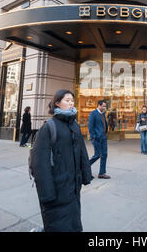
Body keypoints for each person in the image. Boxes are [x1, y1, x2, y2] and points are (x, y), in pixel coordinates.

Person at [29, 89, 92, 232]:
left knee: (74, 222)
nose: (71, 103)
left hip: (73, 185)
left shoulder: (74, 125)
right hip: (56, 188)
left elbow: (82, 152)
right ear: (57, 103)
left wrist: (85, 175)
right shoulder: (49, 127)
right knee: (58, 224)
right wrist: (47, 193)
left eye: (72, 100)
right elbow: (40, 163)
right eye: (67, 100)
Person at [88, 100, 110, 179]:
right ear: (99, 105)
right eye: (103, 106)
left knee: (104, 155)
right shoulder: (93, 114)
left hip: (103, 137)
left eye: (105, 106)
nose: (104, 108)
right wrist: (94, 136)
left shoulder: (103, 114)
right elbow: (90, 126)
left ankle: (102, 173)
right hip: (96, 138)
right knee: (97, 155)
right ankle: (85, 168)